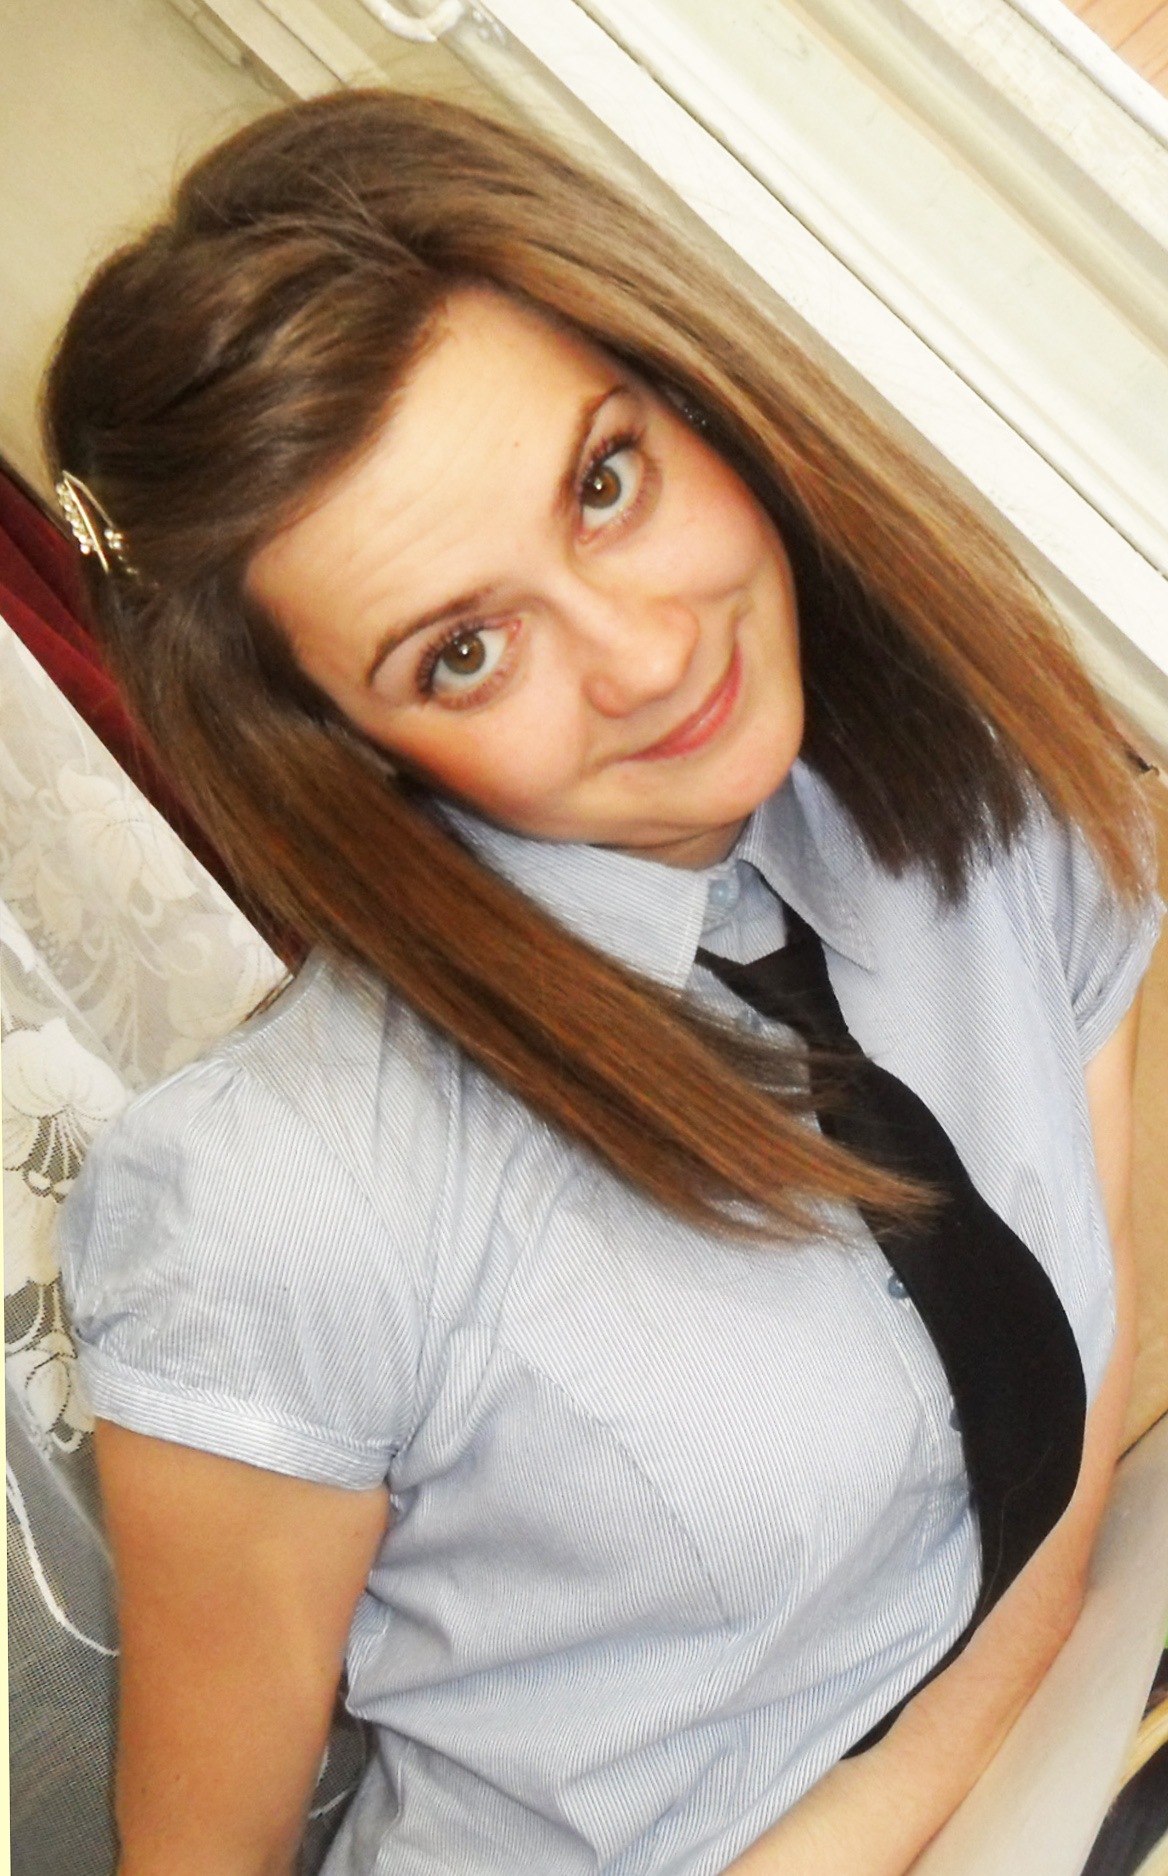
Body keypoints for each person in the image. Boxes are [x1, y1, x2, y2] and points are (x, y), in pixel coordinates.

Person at [45, 89, 1159, 1876]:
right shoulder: (280, 1199)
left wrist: (989, 1733)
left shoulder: (956, 759)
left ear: (687, 388)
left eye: (604, 482)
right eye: (465, 652)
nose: (646, 658)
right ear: (343, 749)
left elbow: (1095, 1349)